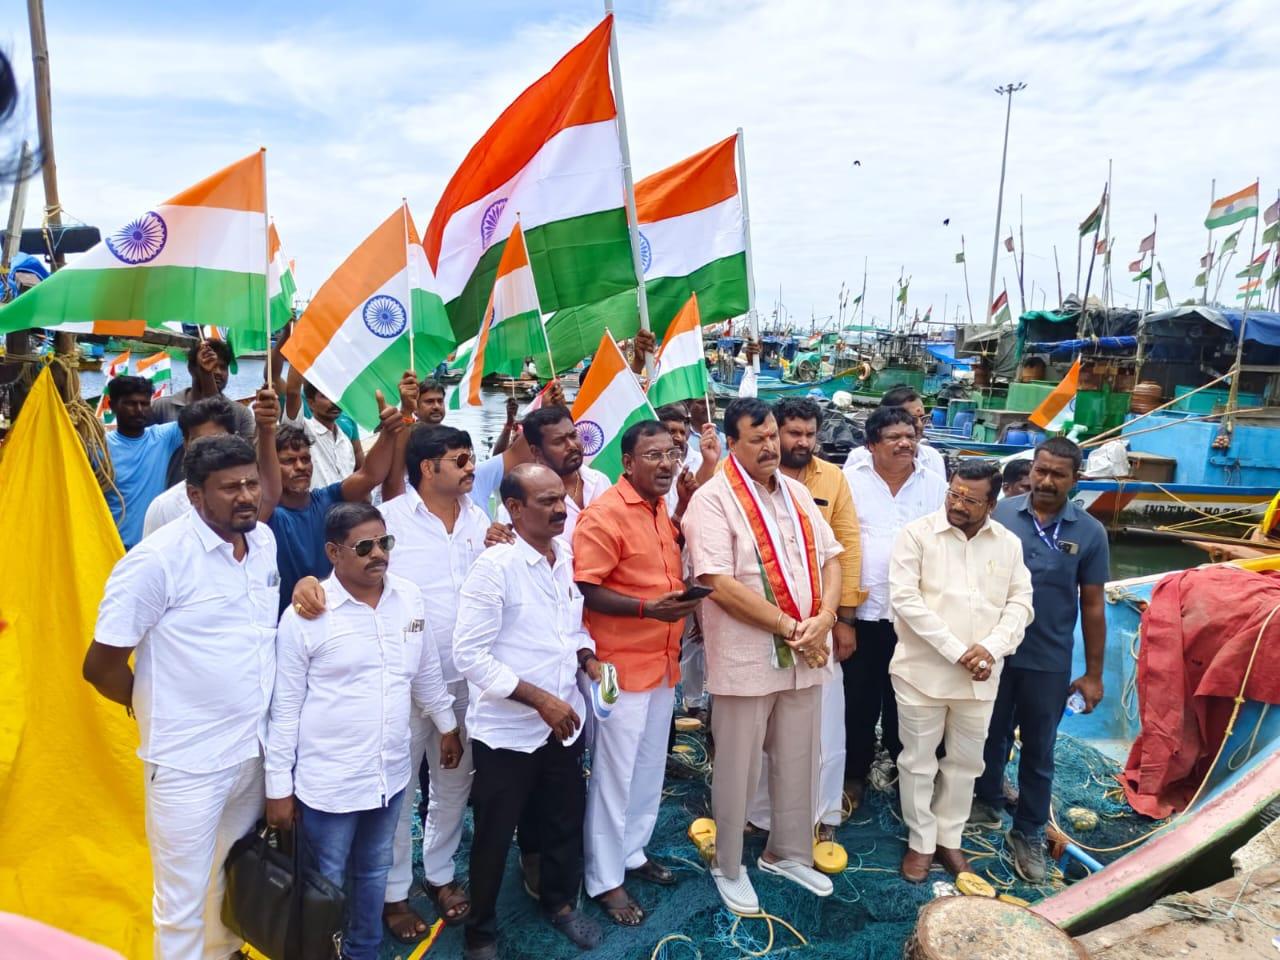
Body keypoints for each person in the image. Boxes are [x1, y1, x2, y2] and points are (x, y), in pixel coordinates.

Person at [83, 435, 278, 959]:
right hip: (186, 763)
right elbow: (99, 667)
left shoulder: (262, 543)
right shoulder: (155, 562)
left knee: (230, 869)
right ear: (195, 496)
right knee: (180, 897)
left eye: (250, 484)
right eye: (229, 488)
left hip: (252, 751)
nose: (246, 496)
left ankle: (223, 951)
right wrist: (155, 704)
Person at [266, 503, 460, 960]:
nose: (379, 554)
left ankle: (363, 952)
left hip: (388, 774)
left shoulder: (409, 597)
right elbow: (285, 709)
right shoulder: (305, 616)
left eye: (385, 543)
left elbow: (426, 670)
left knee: (375, 869)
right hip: (329, 781)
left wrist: (447, 725)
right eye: (364, 547)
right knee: (325, 880)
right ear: (333, 552)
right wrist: (278, 788)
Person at [682, 398, 843, 915]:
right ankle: (728, 864)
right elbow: (716, 583)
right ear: (732, 443)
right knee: (739, 767)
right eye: (759, 439)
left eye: (774, 435)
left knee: (801, 758)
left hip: (806, 652)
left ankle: (787, 852)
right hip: (749, 658)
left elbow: (833, 559)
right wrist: (789, 625)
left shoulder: (796, 493)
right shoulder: (711, 501)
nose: (772, 446)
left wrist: (825, 619)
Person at [453, 464, 602, 958]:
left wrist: (587, 657)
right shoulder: (495, 568)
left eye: (561, 498)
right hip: (508, 733)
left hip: (563, 723)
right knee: (495, 835)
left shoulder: (563, 558)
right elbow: (469, 655)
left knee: (563, 818)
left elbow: (570, 629)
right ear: (514, 509)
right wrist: (539, 699)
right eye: (546, 501)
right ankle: (481, 928)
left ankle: (560, 904)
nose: (561, 509)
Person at [574, 421, 702, 926]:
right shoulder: (604, 515)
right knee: (613, 774)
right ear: (626, 462)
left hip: (663, 662)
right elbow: (588, 588)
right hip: (618, 667)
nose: (666, 464)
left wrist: (682, 606)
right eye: (653, 455)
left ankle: (633, 852)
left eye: (671, 454)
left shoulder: (661, 510)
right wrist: (650, 610)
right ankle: (604, 878)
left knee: (649, 768)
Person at [972, 437, 1109, 882]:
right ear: (1030, 469)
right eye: (1041, 470)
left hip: (1048, 657)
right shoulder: (1002, 513)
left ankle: (1027, 830)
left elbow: (1092, 605)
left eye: (1058, 474)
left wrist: (1092, 673)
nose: (1046, 481)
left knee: (1039, 749)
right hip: (994, 650)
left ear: (1076, 479)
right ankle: (986, 797)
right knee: (987, 733)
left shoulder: (1090, 532)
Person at [889, 461, 1033, 882]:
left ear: (993, 501)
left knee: (966, 763)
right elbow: (906, 602)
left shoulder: (1007, 543)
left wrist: (990, 648)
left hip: (981, 677)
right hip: (921, 673)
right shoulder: (916, 535)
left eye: (971, 500)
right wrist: (959, 652)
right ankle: (920, 841)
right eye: (954, 494)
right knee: (917, 762)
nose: (958, 504)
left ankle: (949, 840)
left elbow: (1021, 603)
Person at [746, 397, 866, 841]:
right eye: (791, 433)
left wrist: (843, 619)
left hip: (821, 622)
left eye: (809, 434)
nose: (801, 442)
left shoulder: (832, 478)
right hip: (764, 621)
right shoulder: (746, 478)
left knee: (825, 724)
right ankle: (761, 815)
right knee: (763, 726)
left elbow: (847, 548)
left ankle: (822, 814)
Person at [841, 407, 947, 809]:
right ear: (871, 444)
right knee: (858, 699)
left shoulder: (935, 486)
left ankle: (908, 777)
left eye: (910, 435)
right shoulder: (848, 482)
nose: (905, 443)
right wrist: (843, 618)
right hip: (862, 616)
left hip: (915, 618)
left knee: (909, 702)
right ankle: (854, 775)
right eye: (894, 437)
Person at [267, 381, 407, 613]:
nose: (301, 466)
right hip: (283, 621)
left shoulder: (326, 499)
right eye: (289, 461)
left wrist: (389, 433)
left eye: (305, 458)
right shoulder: (264, 515)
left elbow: (370, 475)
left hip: (332, 617)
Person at [142, 391, 281, 538]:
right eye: (200, 442)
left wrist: (267, 430)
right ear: (194, 495)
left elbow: (270, 492)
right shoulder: (164, 508)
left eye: (217, 440)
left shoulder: (265, 540)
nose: (209, 450)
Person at [150, 340, 255, 486]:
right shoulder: (161, 407)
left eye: (223, 367)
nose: (217, 371)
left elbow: (248, 462)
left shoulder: (241, 414)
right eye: (211, 365)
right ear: (191, 369)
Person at [101, 375, 185, 550]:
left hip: (153, 547)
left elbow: (206, 412)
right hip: (111, 547)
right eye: (130, 404)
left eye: (145, 404)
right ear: (112, 405)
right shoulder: (99, 447)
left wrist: (206, 374)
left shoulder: (164, 437)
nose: (139, 410)